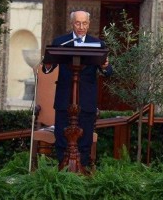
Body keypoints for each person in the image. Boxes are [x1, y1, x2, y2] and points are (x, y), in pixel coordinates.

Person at [43, 10, 112, 168]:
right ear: (72, 23)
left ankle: (83, 173)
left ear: (89, 24)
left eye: (85, 23)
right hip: (64, 98)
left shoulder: (98, 44)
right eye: (78, 23)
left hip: (86, 99)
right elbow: (49, 67)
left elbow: (107, 71)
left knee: (85, 138)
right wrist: (47, 64)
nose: (81, 26)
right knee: (61, 137)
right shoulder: (61, 42)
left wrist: (105, 66)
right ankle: (63, 172)